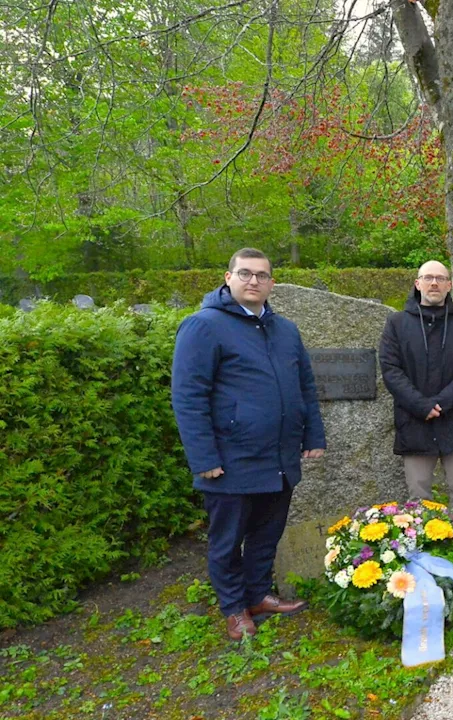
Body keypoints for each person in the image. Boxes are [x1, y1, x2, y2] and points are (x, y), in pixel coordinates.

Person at [171, 248, 325, 641]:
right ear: (228, 278)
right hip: (230, 460)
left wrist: (313, 435)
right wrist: (203, 458)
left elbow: (305, 387)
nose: (253, 281)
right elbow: (188, 397)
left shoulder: (285, 330)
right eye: (245, 273)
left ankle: (257, 595)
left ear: (272, 283)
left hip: (278, 459)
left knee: (265, 535)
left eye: (262, 275)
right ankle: (234, 609)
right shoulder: (203, 326)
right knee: (227, 541)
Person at [378, 260, 453, 521]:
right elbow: (391, 370)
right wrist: (421, 405)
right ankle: (425, 557)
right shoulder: (397, 324)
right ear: (417, 283)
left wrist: (441, 403)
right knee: (419, 499)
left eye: (440, 278)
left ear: (449, 285)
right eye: (428, 278)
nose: (434, 283)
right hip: (415, 424)